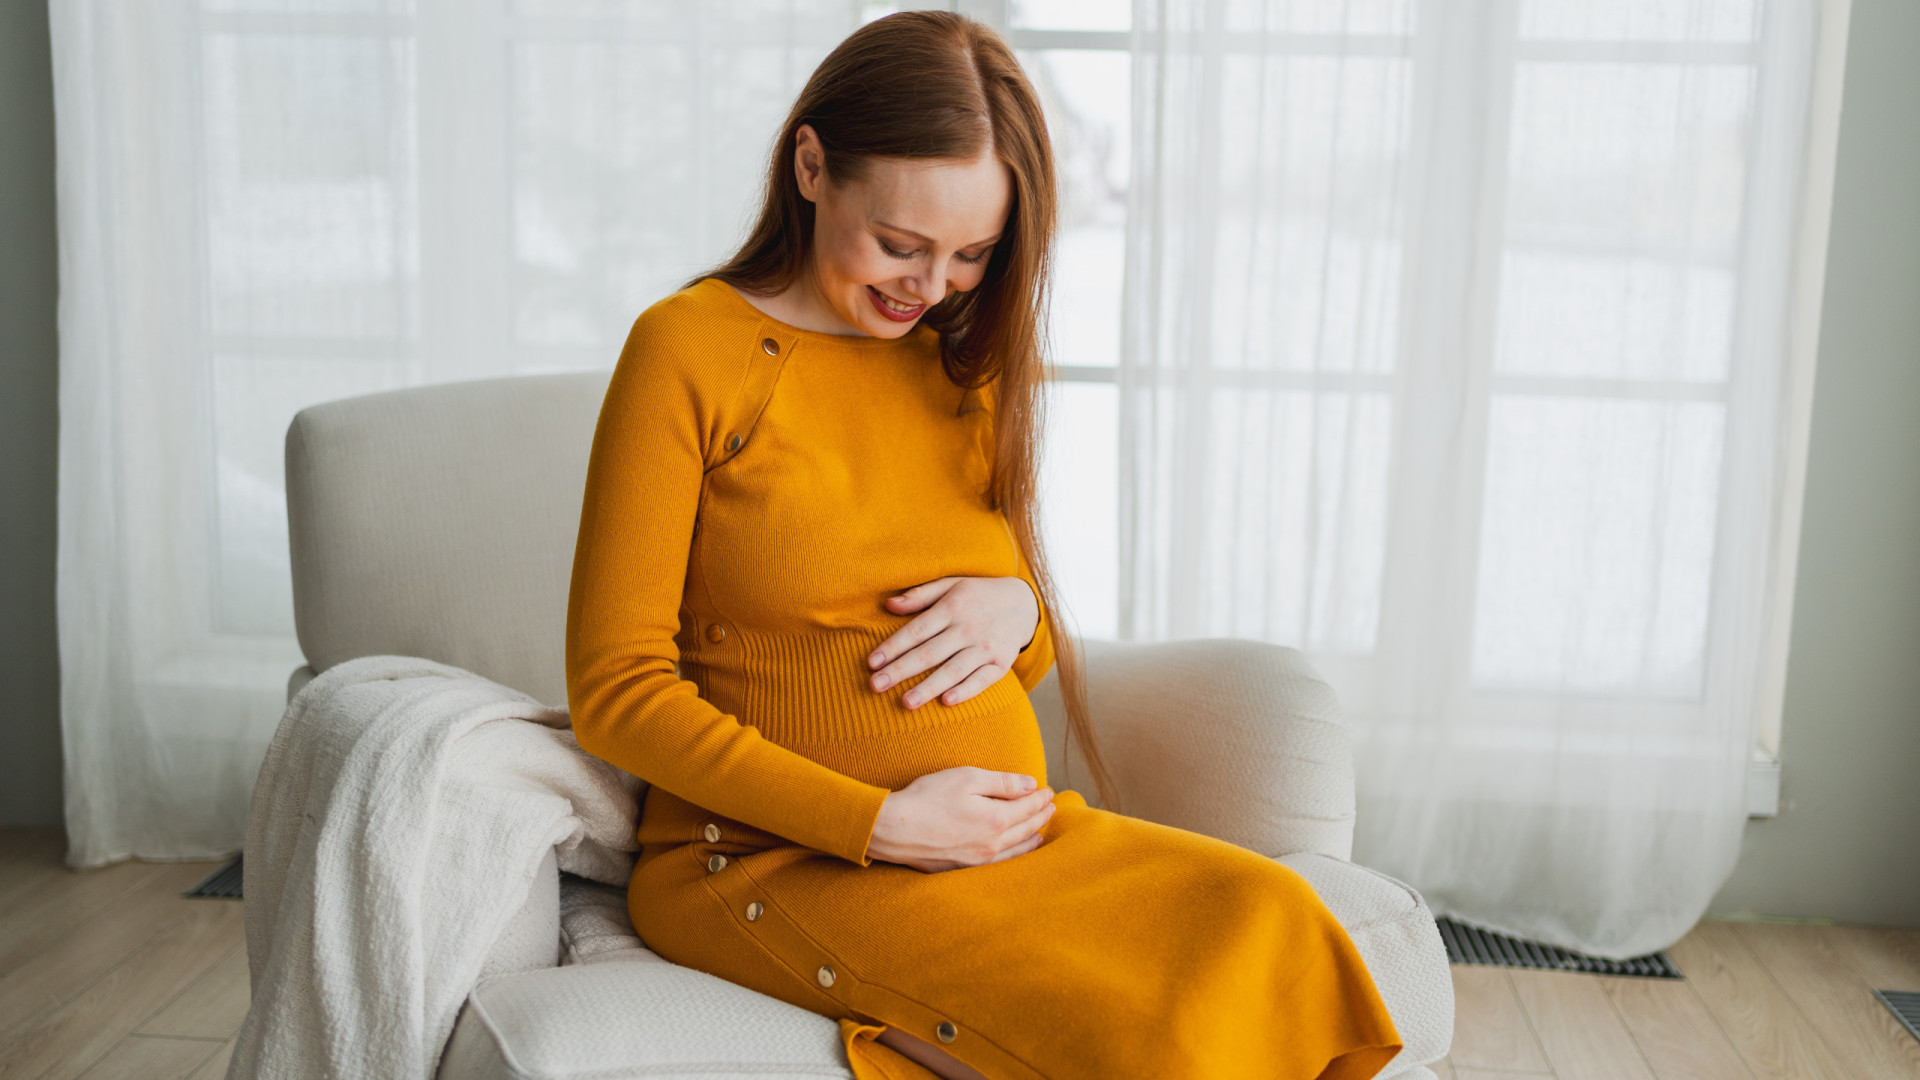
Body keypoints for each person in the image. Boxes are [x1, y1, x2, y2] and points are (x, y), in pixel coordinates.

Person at [564, 11, 1402, 1079]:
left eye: (972, 254)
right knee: (1147, 1036)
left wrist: (1021, 612)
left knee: (1273, 917)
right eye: (901, 244)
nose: (930, 285)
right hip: (766, 861)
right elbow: (616, 691)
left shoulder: (966, 366)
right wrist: (881, 823)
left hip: (1007, 842)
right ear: (811, 165)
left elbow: (1028, 653)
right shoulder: (689, 352)